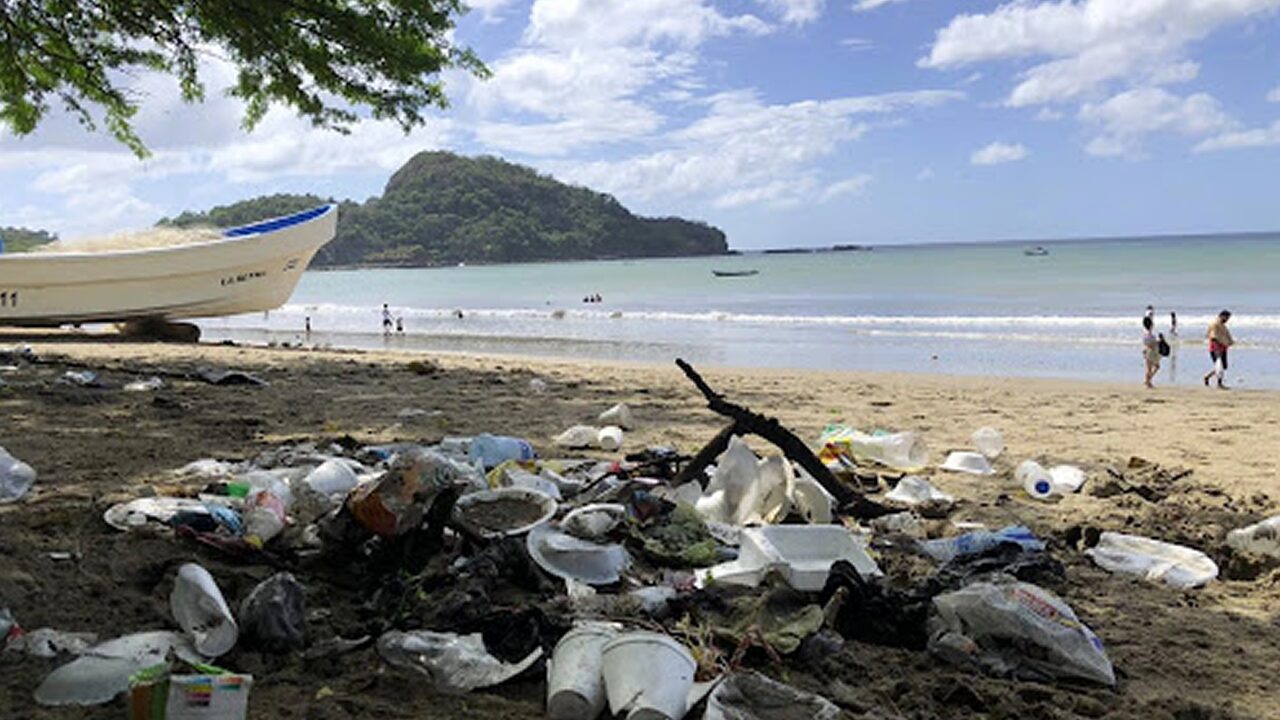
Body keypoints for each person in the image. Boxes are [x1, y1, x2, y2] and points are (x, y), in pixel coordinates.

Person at [1203, 310, 1234, 389]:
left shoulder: (1223, 326)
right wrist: (1217, 349)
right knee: (1219, 365)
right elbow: (1213, 338)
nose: (1227, 320)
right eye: (1226, 318)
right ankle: (1219, 384)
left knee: (1223, 366)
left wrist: (1229, 342)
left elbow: (1227, 337)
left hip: (1223, 349)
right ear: (1222, 316)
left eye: (1228, 318)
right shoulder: (1214, 324)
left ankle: (1207, 377)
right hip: (1215, 349)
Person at [1141, 316, 1161, 388]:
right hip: (1151, 352)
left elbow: (1146, 343)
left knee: (1151, 368)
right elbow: (1151, 344)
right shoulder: (1149, 334)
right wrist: (1157, 342)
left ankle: (1148, 381)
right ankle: (1148, 382)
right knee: (1154, 367)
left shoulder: (1145, 334)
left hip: (1147, 351)